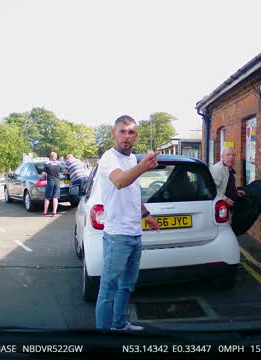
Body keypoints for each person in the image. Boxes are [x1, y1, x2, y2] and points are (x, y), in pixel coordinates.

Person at [95, 115, 160, 331]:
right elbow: (121, 181)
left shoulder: (132, 160)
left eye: (131, 132)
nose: (126, 136)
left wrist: (146, 214)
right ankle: (103, 338)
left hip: (134, 233)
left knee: (126, 286)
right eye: (122, 131)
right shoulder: (109, 158)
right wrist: (143, 167)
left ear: (136, 136)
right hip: (117, 236)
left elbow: (132, 192)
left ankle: (120, 325)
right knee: (108, 288)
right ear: (114, 133)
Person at [41, 152, 61, 216]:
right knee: (55, 197)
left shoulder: (47, 163)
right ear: (56, 157)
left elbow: (43, 174)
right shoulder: (59, 163)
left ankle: (45, 212)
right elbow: (61, 172)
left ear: (50, 157)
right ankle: (54, 212)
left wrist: (45, 175)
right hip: (57, 182)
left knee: (47, 198)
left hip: (50, 182)